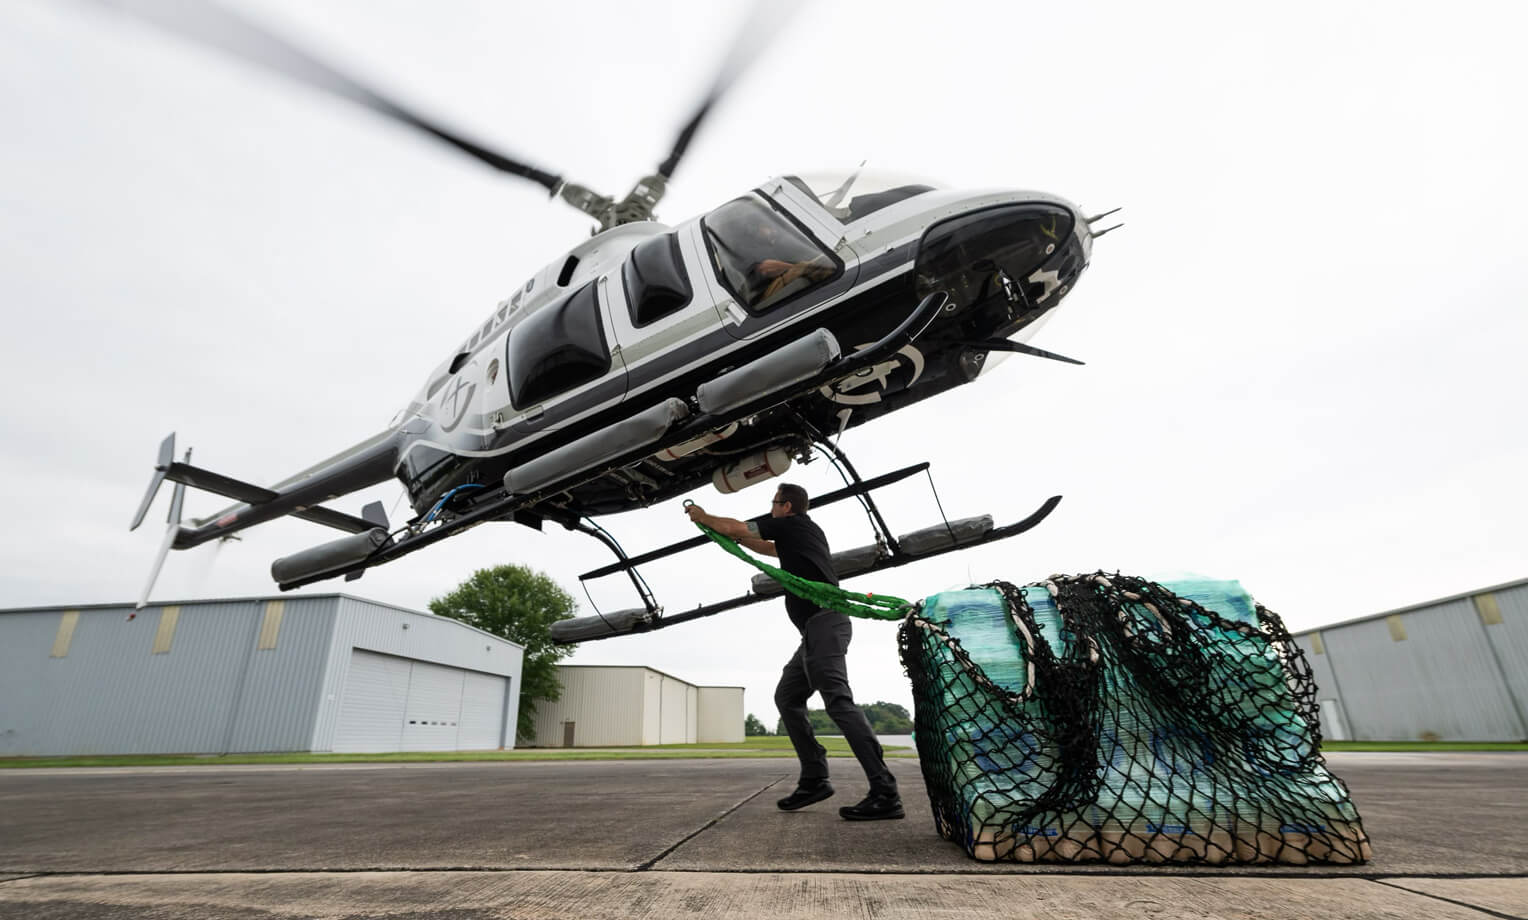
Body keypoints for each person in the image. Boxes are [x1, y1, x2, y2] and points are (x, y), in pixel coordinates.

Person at [685, 483, 903, 820]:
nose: (771, 509)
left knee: (838, 702)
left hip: (825, 624)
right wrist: (734, 538)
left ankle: (885, 791)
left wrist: (702, 516)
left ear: (786, 506)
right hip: (815, 631)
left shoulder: (792, 523)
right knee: (787, 696)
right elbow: (766, 549)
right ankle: (815, 778)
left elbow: (735, 526)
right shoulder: (800, 533)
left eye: (773, 504)